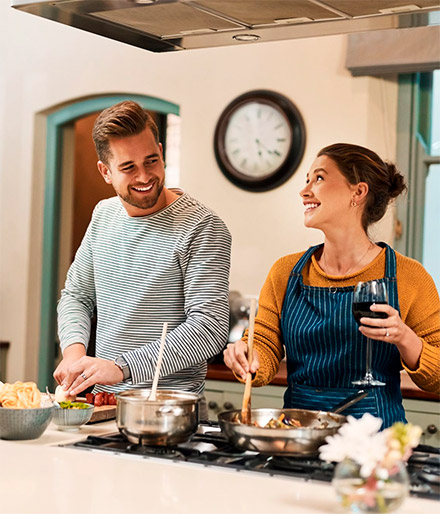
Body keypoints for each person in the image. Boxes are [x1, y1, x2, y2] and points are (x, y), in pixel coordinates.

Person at [223, 143, 440, 428]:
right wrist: (246, 356)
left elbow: (436, 379)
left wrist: (403, 337)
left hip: (373, 445)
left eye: (320, 178)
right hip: (300, 436)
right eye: (307, 180)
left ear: (358, 192)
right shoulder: (286, 272)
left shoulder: (409, 275)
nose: (305, 191)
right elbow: (263, 346)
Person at [54, 100, 231, 409]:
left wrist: (122, 367)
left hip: (171, 410)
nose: (144, 176)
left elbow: (209, 328)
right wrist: (74, 355)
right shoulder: (103, 215)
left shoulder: (202, 227)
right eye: (128, 167)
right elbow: (77, 296)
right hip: (104, 406)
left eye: (151, 161)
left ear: (161, 152)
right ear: (105, 172)